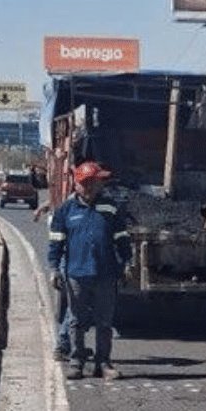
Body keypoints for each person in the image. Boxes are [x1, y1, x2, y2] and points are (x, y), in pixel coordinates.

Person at [47, 161, 132, 380]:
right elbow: (56, 242)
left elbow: (122, 238)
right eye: (95, 182)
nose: (99, 185)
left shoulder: (110, 207)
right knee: (76, 320)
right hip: (77, 274)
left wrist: (127, 263)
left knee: (104, 322)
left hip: (105, 273)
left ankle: (103, 363)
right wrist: (54, 269)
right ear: (82, 184)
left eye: (99, 182)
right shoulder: (66, 210)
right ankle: (76, 362)